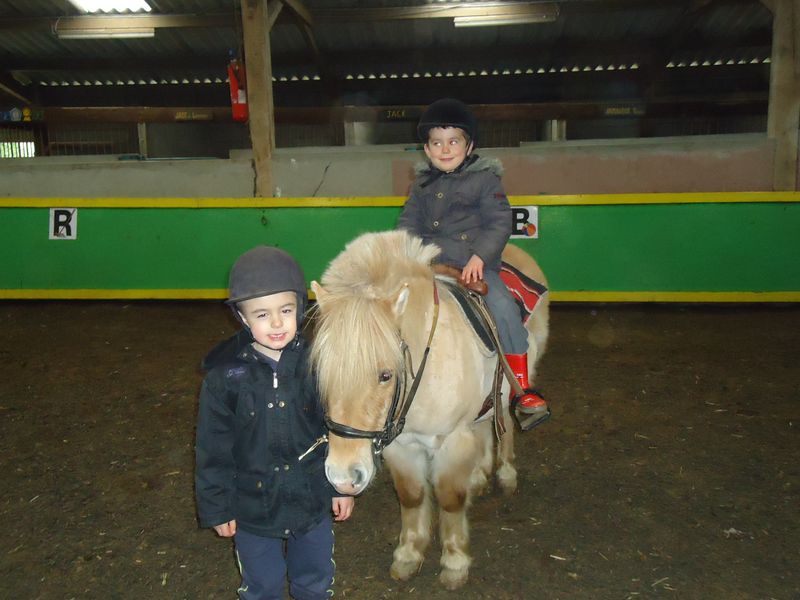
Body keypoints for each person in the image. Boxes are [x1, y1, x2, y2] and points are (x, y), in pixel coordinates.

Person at [195, 245, 354, 600]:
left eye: (286, 310)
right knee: (262, 586)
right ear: (242, 317)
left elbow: (335, 433)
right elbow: (213, 449)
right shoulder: (224, 378)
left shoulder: (318, 366)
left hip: (311, 502)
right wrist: (218, 507)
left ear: (300, 307)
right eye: (262, 314)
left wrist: (340, 487)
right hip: (253, 509)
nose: (278, 323)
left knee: (314, 580)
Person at [397, 97, 549, 429]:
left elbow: (499, 223)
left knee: (503, 307)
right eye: (437, 143)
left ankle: (521, 390)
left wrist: (480, 256)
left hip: (474, 265)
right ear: (427, 149)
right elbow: (407, 225)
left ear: (469, 147)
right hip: (428, 265)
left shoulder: (486, 181)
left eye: (453, 141)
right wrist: (405, 255)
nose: (445, 149)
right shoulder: (420, 186)